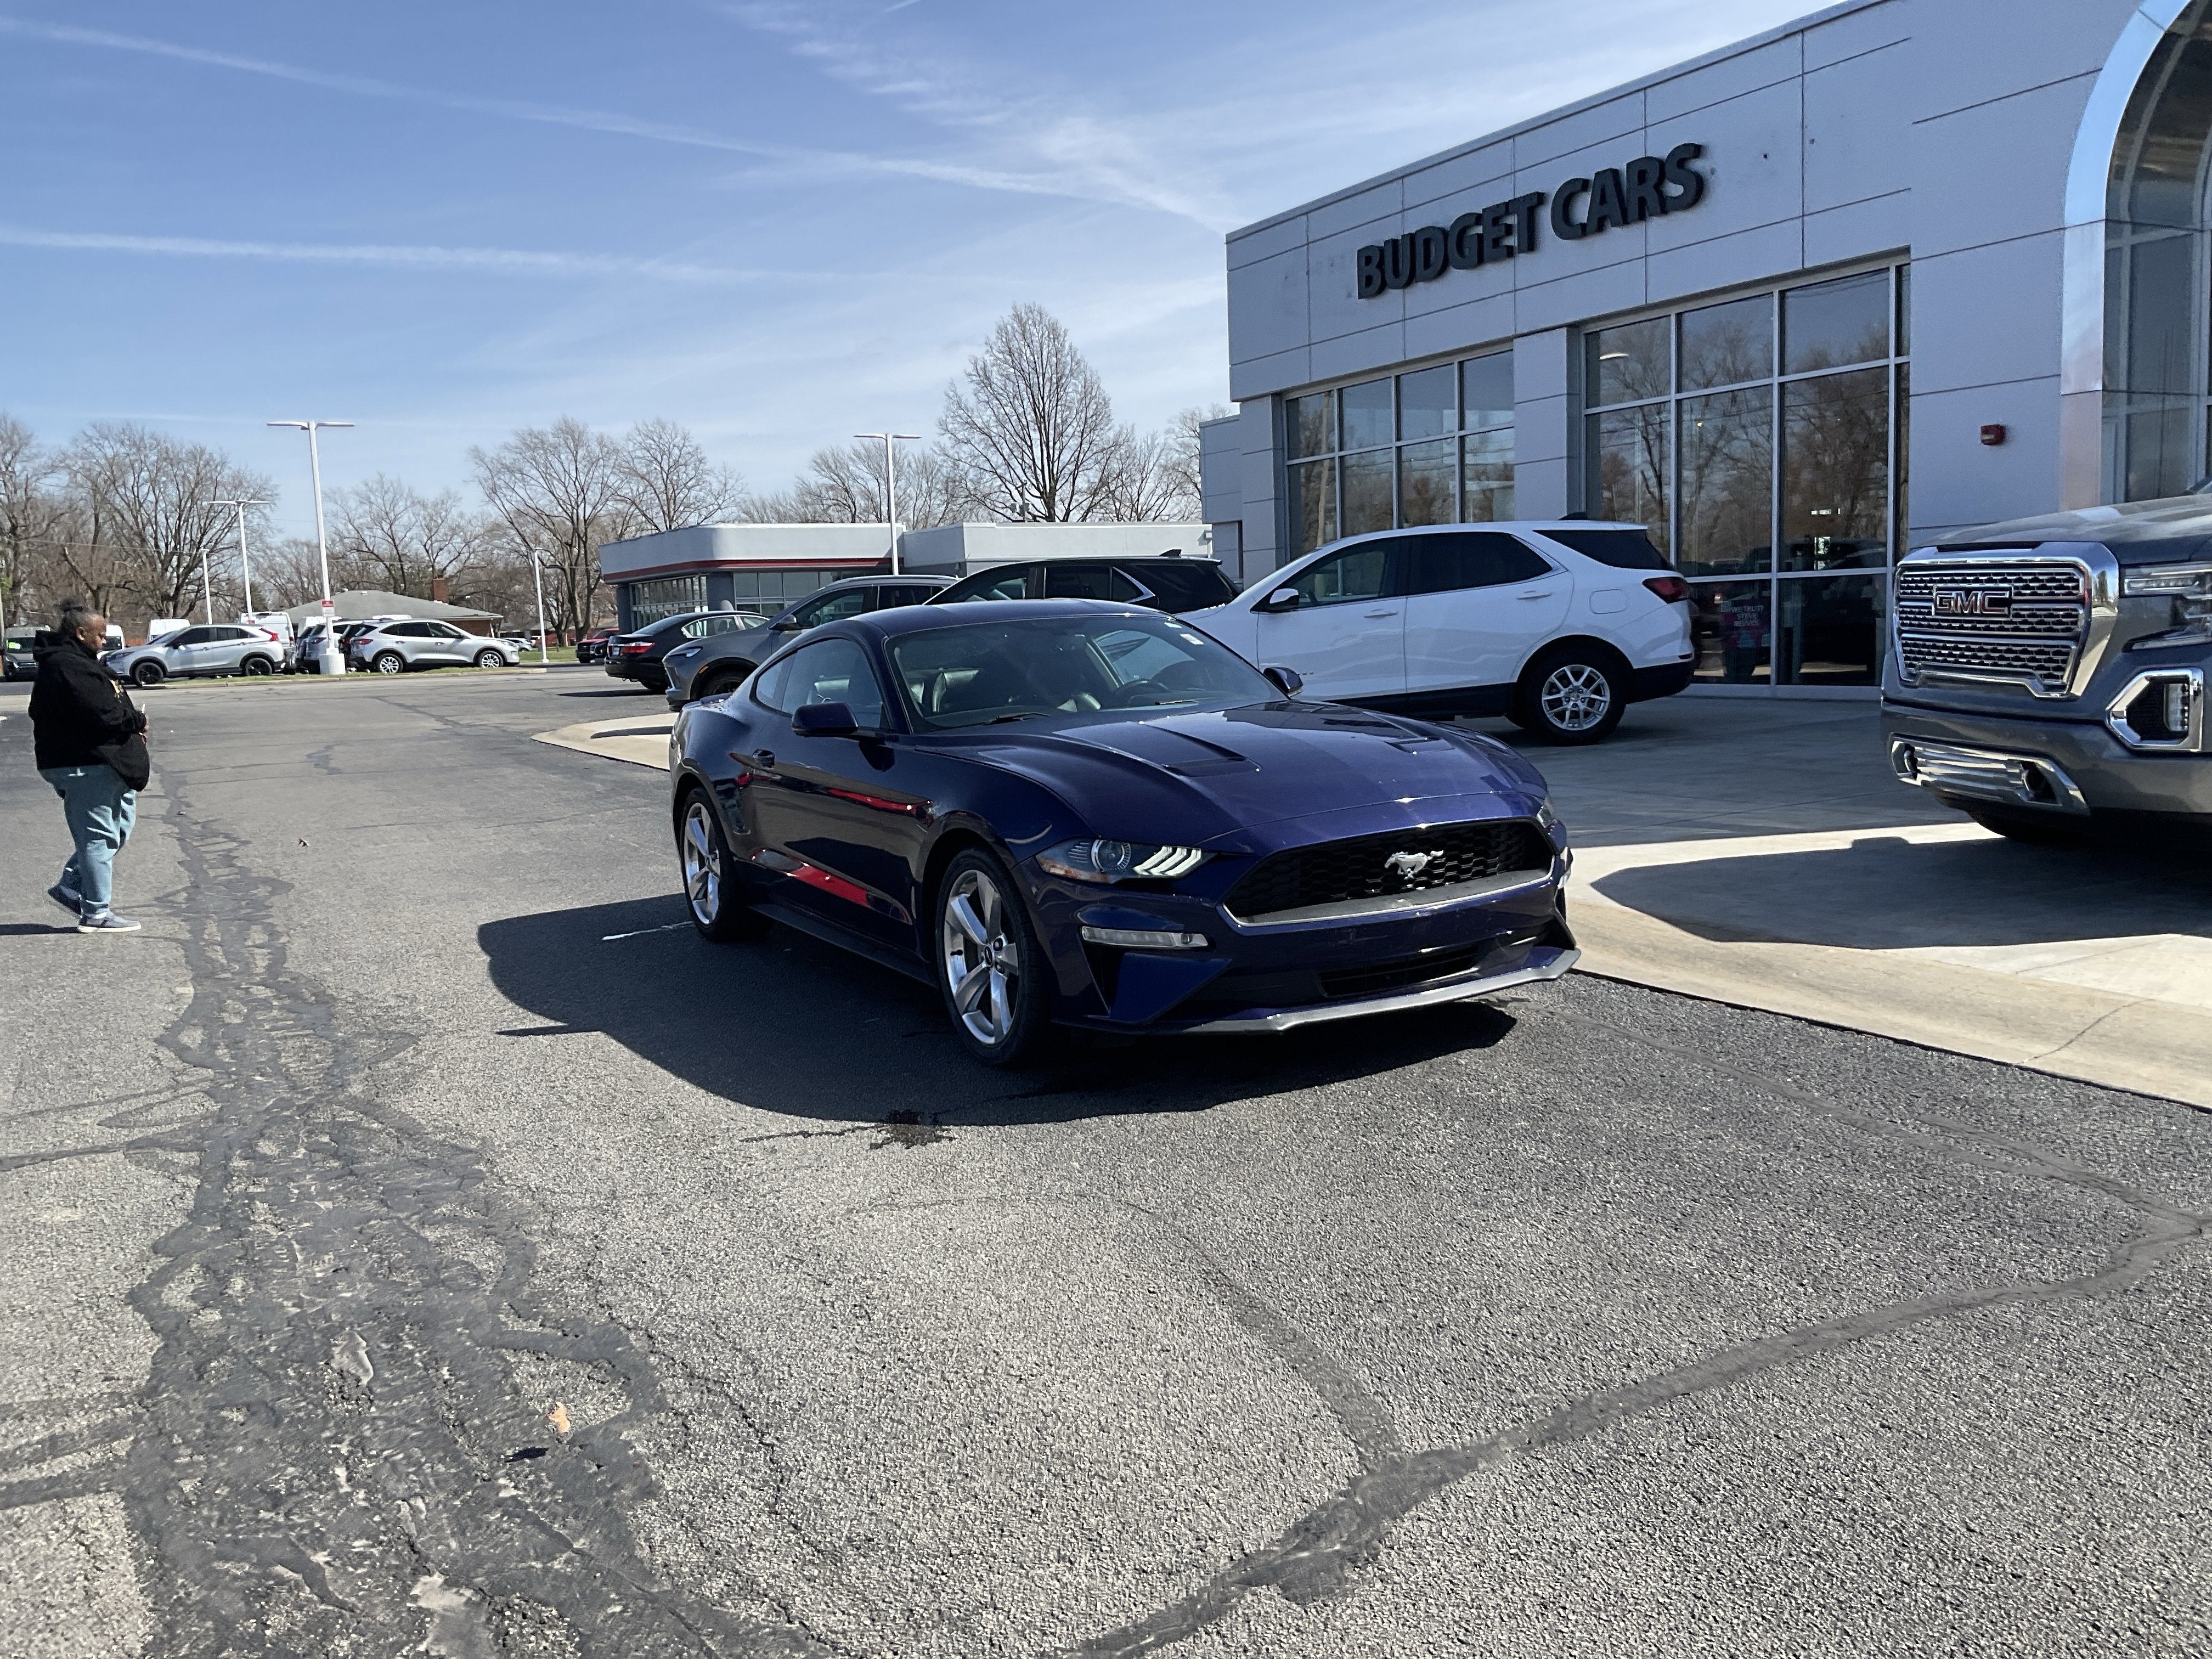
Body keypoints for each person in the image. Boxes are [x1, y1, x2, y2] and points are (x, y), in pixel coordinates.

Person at [29, 600, 149, 933]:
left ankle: (71, 885)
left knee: (119, 828)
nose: (105, 640)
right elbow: (102, 715)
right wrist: (136, 720)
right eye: (100, 634)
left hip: (104, 766)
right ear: (81, 633)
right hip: (84, 765)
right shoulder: (67, 666)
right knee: (98, 837)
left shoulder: (77, 663)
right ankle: (96, 912)